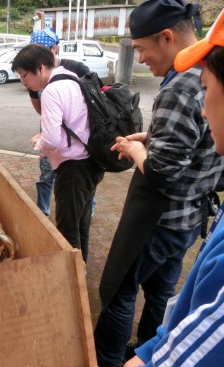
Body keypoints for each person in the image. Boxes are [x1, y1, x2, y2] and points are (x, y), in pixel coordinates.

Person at [94, 2, 224, 366]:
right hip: (188, 220)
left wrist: (137, 149)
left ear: (166, 37)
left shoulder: (179, 86)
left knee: (120, 294)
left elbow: (164, 173)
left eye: (140, 50)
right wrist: (153, 135)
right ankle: (149, 347)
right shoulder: (207, 70)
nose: (141, 60)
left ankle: (110, 358)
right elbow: (197, 141)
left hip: (159, 220)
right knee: (161, 293)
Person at [12, 44, 105, 262]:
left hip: (72, 168)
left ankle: (72, 284)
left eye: (24, 76)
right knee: (81, 224)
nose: (24, 82)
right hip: (90, 162)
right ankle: (80, 268)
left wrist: (39, 142)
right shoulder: (71, 78)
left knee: (67, 231)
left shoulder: (51, 91)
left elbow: (52, 138)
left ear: (40, 67)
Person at [29, 27, 90, 216]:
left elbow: (93, 104)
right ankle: (42, 211)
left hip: (78, 139)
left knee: (79, 185)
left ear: (54, 48)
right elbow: (39, 108)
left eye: (42, 49)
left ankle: (87, 209)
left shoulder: (76, 69)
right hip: (50, 128)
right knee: (47, 172)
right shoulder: (33, 73)